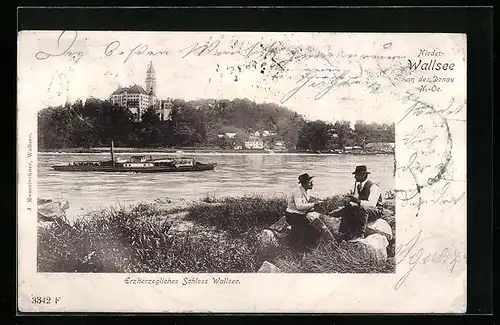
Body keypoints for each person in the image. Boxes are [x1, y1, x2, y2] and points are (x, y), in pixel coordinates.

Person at [285, 173, 336, 250]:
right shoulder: (297, 191)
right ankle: (300, 247)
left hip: (299, 215)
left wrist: (320, 201)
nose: (312, 183)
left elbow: (308, 202)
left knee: (310, 227)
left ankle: (301, 245)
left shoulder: (306, 191)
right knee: (310, 228)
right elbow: (299, 206)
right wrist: (314, 204)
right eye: (310, 182)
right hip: (292, 215)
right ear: (304, 184)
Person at [337, 165, 384, 241]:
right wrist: (351, 202)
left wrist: (358, 201)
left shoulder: (373, 186)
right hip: (365, 209)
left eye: (357, 175)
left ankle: (359, 235)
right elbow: (357, 201)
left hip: (376, 210)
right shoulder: (359, 186)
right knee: (348, 208)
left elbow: (372, 204)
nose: (355, 177)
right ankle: (343, 232)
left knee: (362, 209)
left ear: (363, 175)